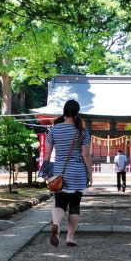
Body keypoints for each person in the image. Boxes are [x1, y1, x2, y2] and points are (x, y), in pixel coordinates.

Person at [44, 99, 92, 247]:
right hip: (77, 173)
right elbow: (86, 155)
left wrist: (46, 172)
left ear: (64, 111)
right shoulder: (82, 131)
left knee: (59, 204)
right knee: (75, 205)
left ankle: (56, 225)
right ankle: (70, 238)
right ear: (77, 113)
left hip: (60, 173)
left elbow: (47, 154)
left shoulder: (54, 130)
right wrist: (90, 174)